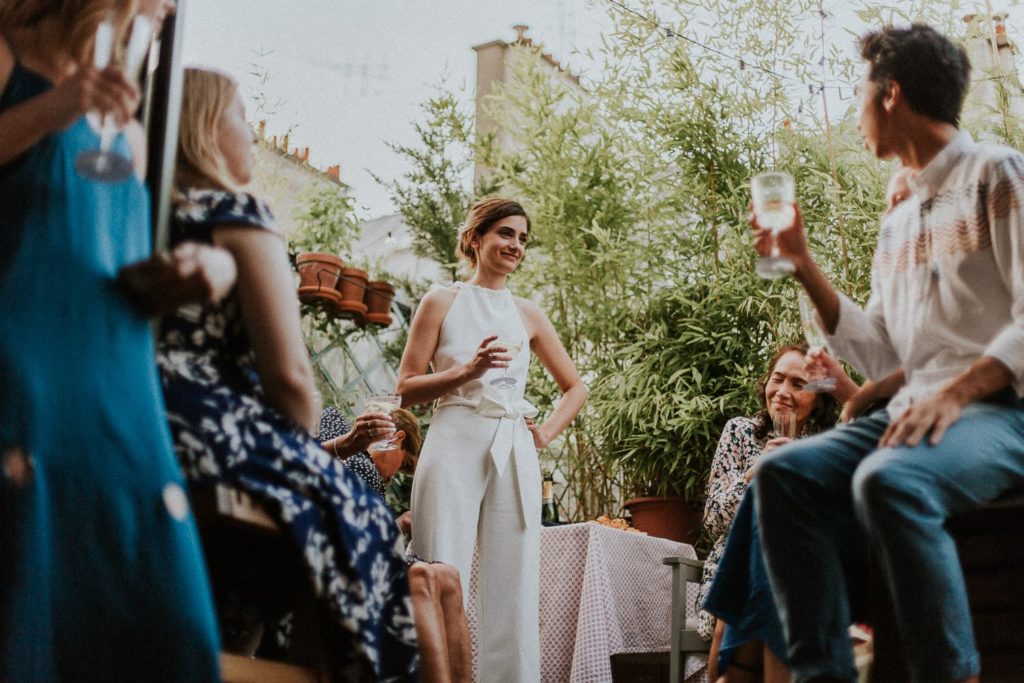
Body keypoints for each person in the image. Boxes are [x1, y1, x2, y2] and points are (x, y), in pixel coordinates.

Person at [752, 24, 1024, 683]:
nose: (856, 111)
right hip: (913, 407)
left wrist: (956, 391)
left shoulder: (995, 172)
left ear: (892, 93)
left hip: (1001, 409)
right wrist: (803, 264)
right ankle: (825, 675)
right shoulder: (897, 218)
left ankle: (950, 673)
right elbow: (879, 351)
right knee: (781, 474)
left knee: (889, 477)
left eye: (859, 93)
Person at [156, 66, 417, 681]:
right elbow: (293, 382)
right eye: (241, 117)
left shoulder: (134, 215)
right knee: (368, 524)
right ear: (204, 128)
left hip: (140, 421)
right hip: (213, 430)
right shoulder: (239, 212)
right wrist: (298, 438)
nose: (251, 133)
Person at [0, 1, 221, 679]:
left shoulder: (129, 126)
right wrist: (59, 106)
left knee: (171, 618)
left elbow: (107, 247)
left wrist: (204, 272)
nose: (162, 14)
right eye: (153, 4)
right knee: (25, 597)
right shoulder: (9, 52)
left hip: (120, 383)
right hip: (24, 362)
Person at [397, 197, 588, 681]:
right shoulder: (442, 299)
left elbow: (577, 387)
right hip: (454, 433)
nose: (515, 245)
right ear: (475, 237)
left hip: (512, 445)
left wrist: (543, 433)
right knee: (440, 566)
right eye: (506, 233)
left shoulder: (528, 313)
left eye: (523, 238)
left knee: (514, 580)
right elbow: (405, 388)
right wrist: (467, 370)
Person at [698, 343, 849, 681]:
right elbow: (712, 520)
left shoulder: (828, 447)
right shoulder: (740, 433)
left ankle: (728, 673)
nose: (782, 392)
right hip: (733, 568)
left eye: (798, 384)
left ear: (819, 397)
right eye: (776, 379)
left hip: (806, 570)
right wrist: (754, 473)